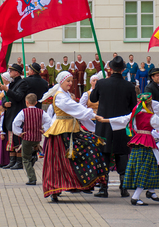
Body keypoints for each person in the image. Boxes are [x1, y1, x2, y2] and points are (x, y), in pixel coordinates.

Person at [99, 93, 159, 206]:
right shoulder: (151, 117)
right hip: (147, 143)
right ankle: (136, 197)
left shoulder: (135, 115)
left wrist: (104, 120)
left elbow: (122, 120)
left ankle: (151, 192)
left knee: (149, 166)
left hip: (137, 143)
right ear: (150, 103)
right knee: (147, 168)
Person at [39, 71, 108, 202]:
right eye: (68, 81)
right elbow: (75, 108)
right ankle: (55, 188)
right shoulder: (60, 96)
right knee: (58, 162)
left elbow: (78, 113)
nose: (70, 83)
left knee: (88, 148)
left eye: (71, 81)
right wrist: (93, 115)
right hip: (61, 132)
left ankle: (83, 182)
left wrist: (94, 128)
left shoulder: (65, 94)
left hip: (72, 129)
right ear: (61, 82)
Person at [90, 56, 137, 198]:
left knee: (104, 153)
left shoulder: (102, 83)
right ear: (123, 70)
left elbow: (92, 99)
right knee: (122, 154)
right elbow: (133, 106)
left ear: (110, 68)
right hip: (121, 125)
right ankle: (124, 187)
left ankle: (103, 188)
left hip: (104, 124)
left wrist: (96, 87)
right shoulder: (129, 86)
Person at [13, 93, 52, 185]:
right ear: (35, 102)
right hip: (37, 138)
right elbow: (49, 120)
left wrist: (19, 133)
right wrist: (44, 130)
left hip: (27, 137)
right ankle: (34, 157)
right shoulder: (41, 112)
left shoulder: (23, 112)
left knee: (25, 158)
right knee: (32, 152)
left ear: (26, 102)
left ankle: (32, 178)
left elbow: (15, 123)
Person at [0, 64, 29, 170]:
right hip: (9, 113)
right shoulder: (11, 83)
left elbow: (18, 96)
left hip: (17, 113)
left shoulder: (22, 83)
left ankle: (19, 161)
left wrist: (7, 90)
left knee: (16, 139)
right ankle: (12, 161)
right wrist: (4, 104)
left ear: (17, 72)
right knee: (10, 138)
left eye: (11, 70)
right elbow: (5, 97)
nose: (10, 72)